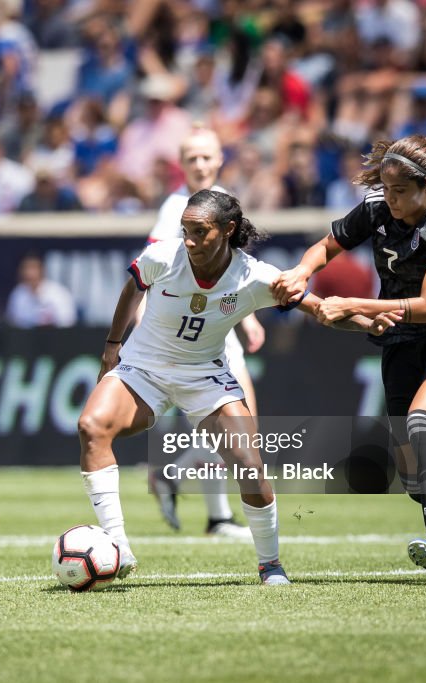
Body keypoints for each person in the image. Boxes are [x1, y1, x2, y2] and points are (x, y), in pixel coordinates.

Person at [80, 189, 399, 585]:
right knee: (91, 426)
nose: (190, 241)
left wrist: (368, 323)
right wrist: (112, 347)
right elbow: (133, 288)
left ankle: (271, 565)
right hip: (143, 369)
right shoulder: (161, 256)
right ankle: (118, 547)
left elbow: (320, 310)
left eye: (200, 232)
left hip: (205, 377)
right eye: (186, 231)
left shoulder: (255, 276)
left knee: (250, 466)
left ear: (228, 229)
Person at [272, 134, 426, 585]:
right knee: (412, 478)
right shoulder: (376, 207)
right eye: (386, 189)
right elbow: (326, 247)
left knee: (423, 422)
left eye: (400, 191)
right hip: (400, 341)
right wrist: (301, 272)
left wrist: (352, 305)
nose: (390, 199)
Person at [145, 126, 262, 539]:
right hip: (191, 328)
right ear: (181, 163)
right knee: (237, 426)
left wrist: (248, 317)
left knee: (233, 427)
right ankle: (182, 482)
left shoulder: (224, 200)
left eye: (206, 156)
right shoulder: (176, 208)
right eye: (191, 157)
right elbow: (151, 266)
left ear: (220, 159)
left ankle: (214, 514)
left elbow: (235, 269)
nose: (199, 164)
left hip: (219, 323)